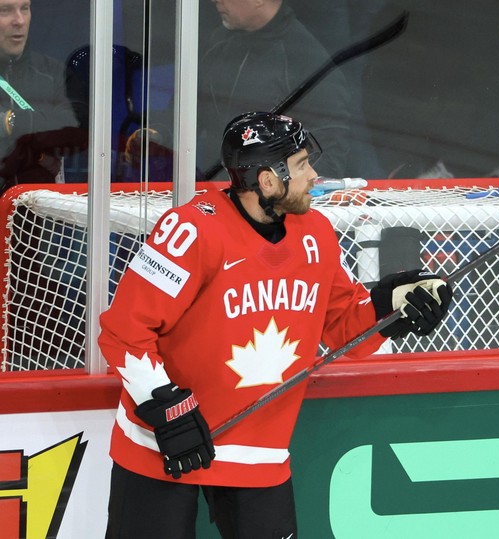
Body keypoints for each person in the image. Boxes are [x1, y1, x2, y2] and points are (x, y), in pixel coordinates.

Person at [99, 111, 453, 538]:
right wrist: (167, 409)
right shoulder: (191, 230)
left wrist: (390, 307)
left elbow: (343, 327)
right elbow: (124, 330)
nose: (314, 174)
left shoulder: (316, 235)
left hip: (257, 454)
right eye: (302, 164)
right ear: (267, 180)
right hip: (164, 447)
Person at [196, 0, 352, 180]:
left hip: (268, 197)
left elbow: (329, 156)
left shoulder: (307, 62)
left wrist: (277, 195)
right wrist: (162, 134)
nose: (215, 1)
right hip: (215, 187)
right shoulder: (219, 43)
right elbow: (190, 110)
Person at [0, 0, 79, 192]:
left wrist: (10, 121)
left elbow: (76, 128)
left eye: (24, 8)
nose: (19, 20)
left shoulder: (52, 71)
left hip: (37, 213)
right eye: (5, 10)